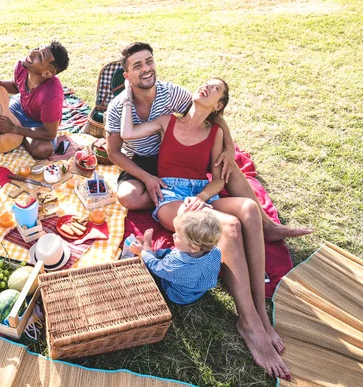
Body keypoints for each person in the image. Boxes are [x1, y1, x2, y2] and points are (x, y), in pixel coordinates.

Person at [121, 75, 291, 380]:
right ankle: (250, 321)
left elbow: (219, 180)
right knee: (230, 227)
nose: (207, 87)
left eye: (216, 89)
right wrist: (125, 93)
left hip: (199, 193)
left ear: (219, 105)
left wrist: (201, 197)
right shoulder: (167, 121)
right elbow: (128, 132)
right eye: (207, 83)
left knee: (249, 209)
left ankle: (260, 314)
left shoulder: (214, 133)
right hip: (171, 196)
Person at [105, 42, 312, 242]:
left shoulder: (170, 92)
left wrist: (230, 148)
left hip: (176, 152)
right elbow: (113, 152)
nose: (146, 69)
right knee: (128, 197)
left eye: (149, 62)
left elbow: (210, 112)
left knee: (226, 165)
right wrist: (147, 178)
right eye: (138, 65)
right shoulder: (117, 107)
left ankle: (267, 225)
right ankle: (177, 201)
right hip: (142, 159)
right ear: (127, 75)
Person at [0, 41, 70, 159]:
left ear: (46, 73)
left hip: (39, 123)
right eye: (37, 48)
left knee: (42, 150)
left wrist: (14, 129)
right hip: (20, 106)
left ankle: (20, 134)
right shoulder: (22, 65)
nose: (33, 53)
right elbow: (15, 86)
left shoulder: (52, 94)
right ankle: (21, 134)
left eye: (40, 57)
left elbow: (49, 133)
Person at [129, 211, 222, 305]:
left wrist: (141, 252)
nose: (173, 235)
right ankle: (149, 251)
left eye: (177, 236)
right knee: (168, 253)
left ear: (194, 248)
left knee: (150, 268)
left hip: (178, 295)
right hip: (197, 288)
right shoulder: (214, 251)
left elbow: (156, 267)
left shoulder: (177, 264)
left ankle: (146, 247)